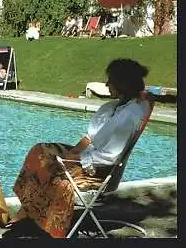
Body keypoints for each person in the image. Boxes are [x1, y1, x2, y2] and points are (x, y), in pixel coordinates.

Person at [8, 58, 151, 238]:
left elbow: (112, 157)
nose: (107, 85)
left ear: (122, 84)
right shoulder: (113, 107)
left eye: (110, 81)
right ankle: (29, 207)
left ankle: (51, 226)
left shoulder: (131, 114)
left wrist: (73, 159)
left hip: (98, 169)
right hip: (85, 156)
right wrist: (71, 153)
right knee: (39, 151)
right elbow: (89, 137)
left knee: (56, 178)